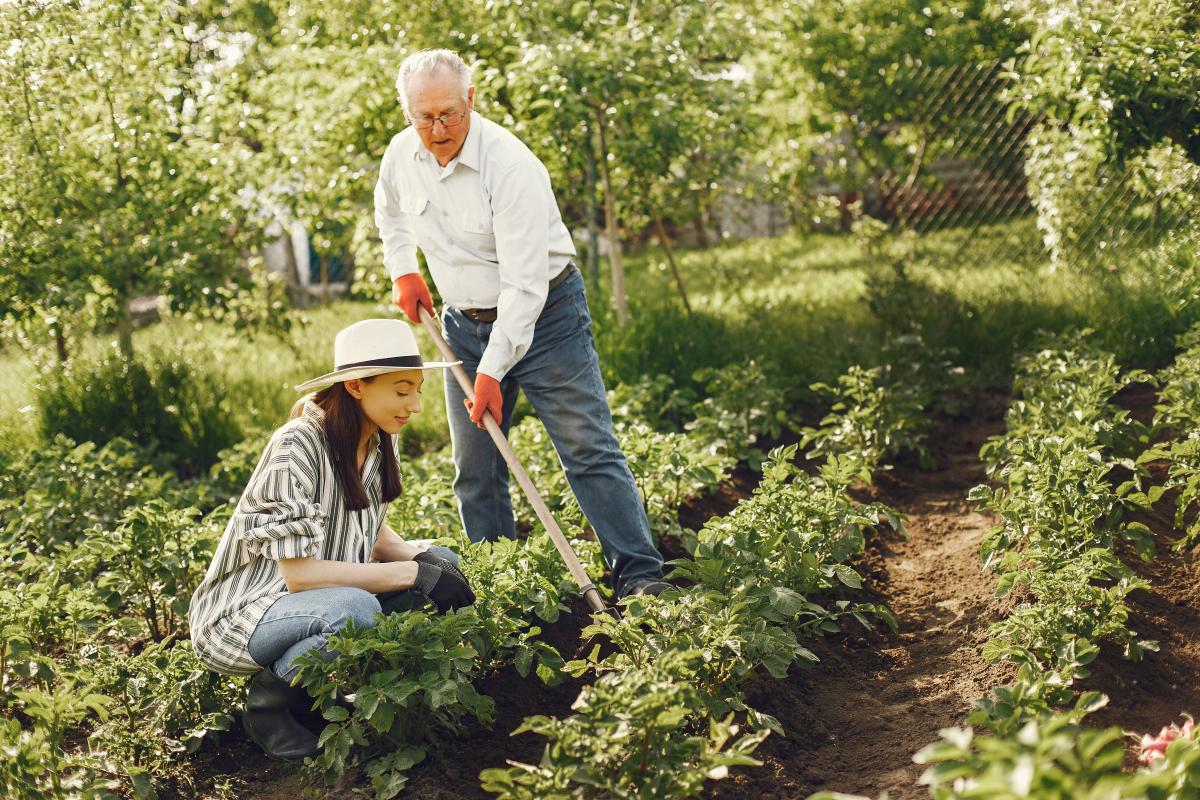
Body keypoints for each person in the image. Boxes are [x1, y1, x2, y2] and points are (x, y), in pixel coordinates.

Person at [373, 48, 669, 599]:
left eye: (449, 114)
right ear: (406, 111)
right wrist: (404, 271)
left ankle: (640, 578)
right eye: (423, 116)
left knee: (586, 447)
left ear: (471, 100)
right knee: (476, 467)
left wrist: (491, 372)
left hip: (546, 316)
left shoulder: (509, 166)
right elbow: (388, 211)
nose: (437, 129)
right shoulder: (400, 155)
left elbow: (525, 287)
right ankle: (500, 588)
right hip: (463, 324)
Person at [188, 318, 476, 761]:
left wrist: (426, 561)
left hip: (316, 598)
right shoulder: (297, 445)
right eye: (402, 390)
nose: (415, 404)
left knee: (441, 557)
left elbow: (366, 528)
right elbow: (300, 577)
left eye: (417, 389)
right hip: (248, 611)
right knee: (355, 608)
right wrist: (411, 574)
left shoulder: (378, 439)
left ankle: (335, 687)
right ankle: (271, 705)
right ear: (357, 386)